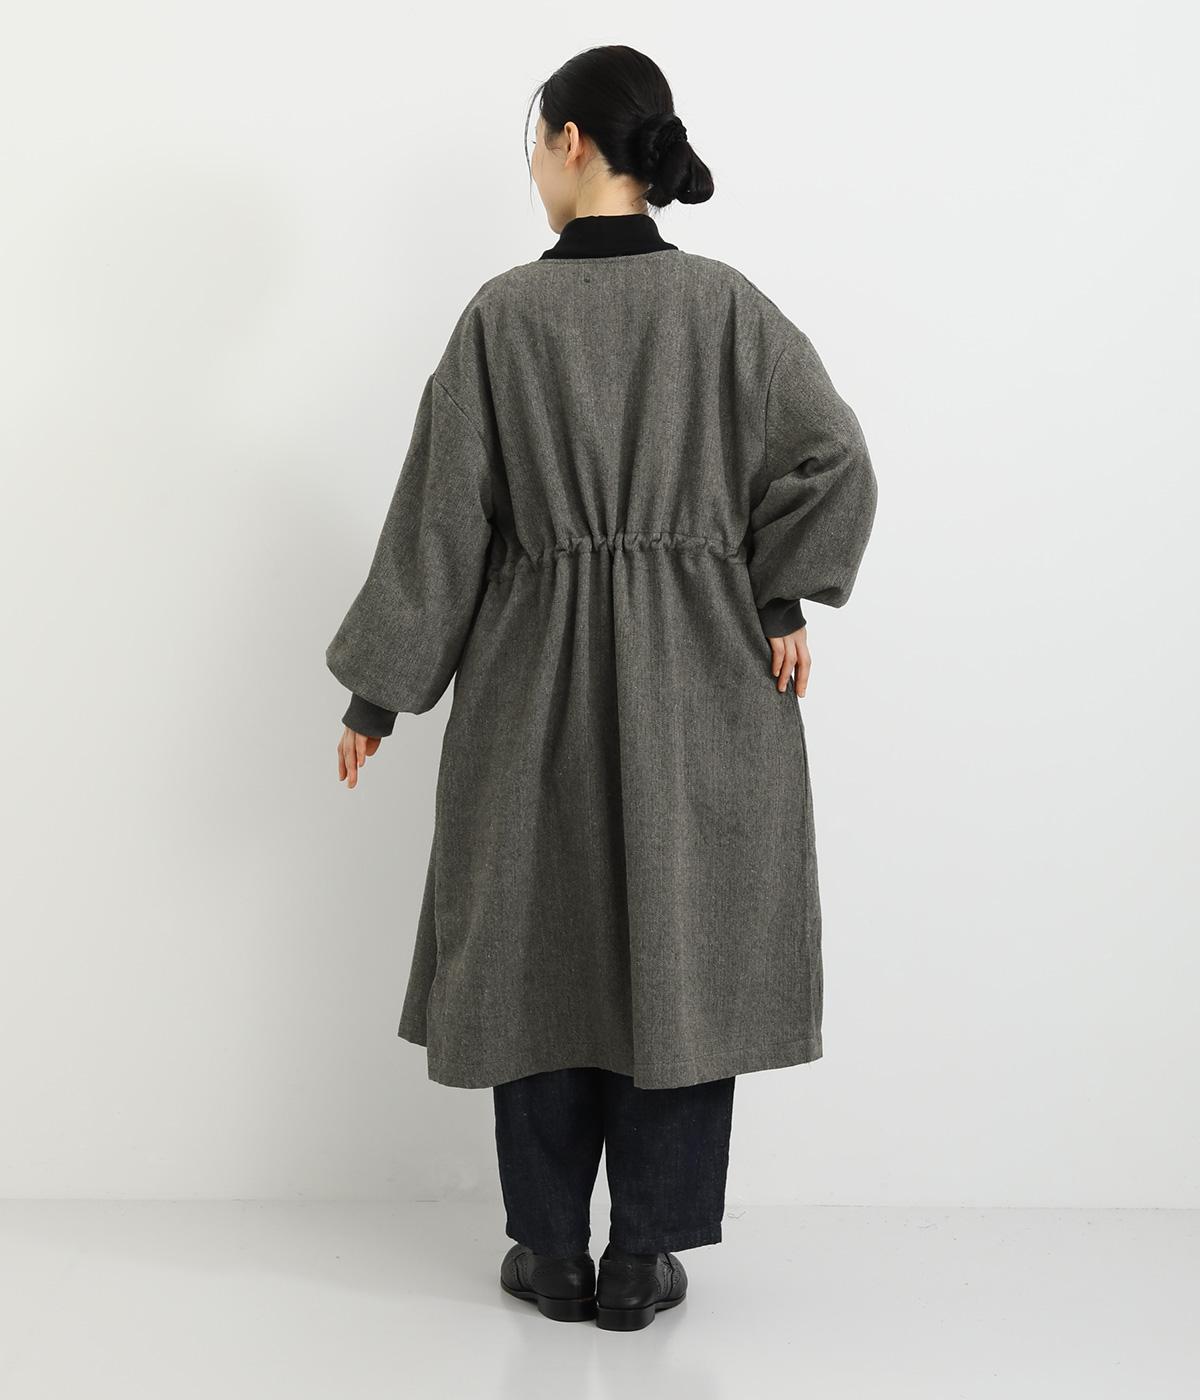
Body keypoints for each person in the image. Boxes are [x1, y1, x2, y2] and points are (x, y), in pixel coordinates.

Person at [325, 44, 878, 1331]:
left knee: (535, 950)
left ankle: (551, 1251)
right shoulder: (727, 308)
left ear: (573, 142)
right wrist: (777, 596)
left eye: (537, 141)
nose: (533, 165)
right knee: (682, 949)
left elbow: (440, 525)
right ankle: (642, 1255)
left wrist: (376, 698)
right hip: (704, 678)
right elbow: (833, 454)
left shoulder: (503, 318)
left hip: (533, 688)